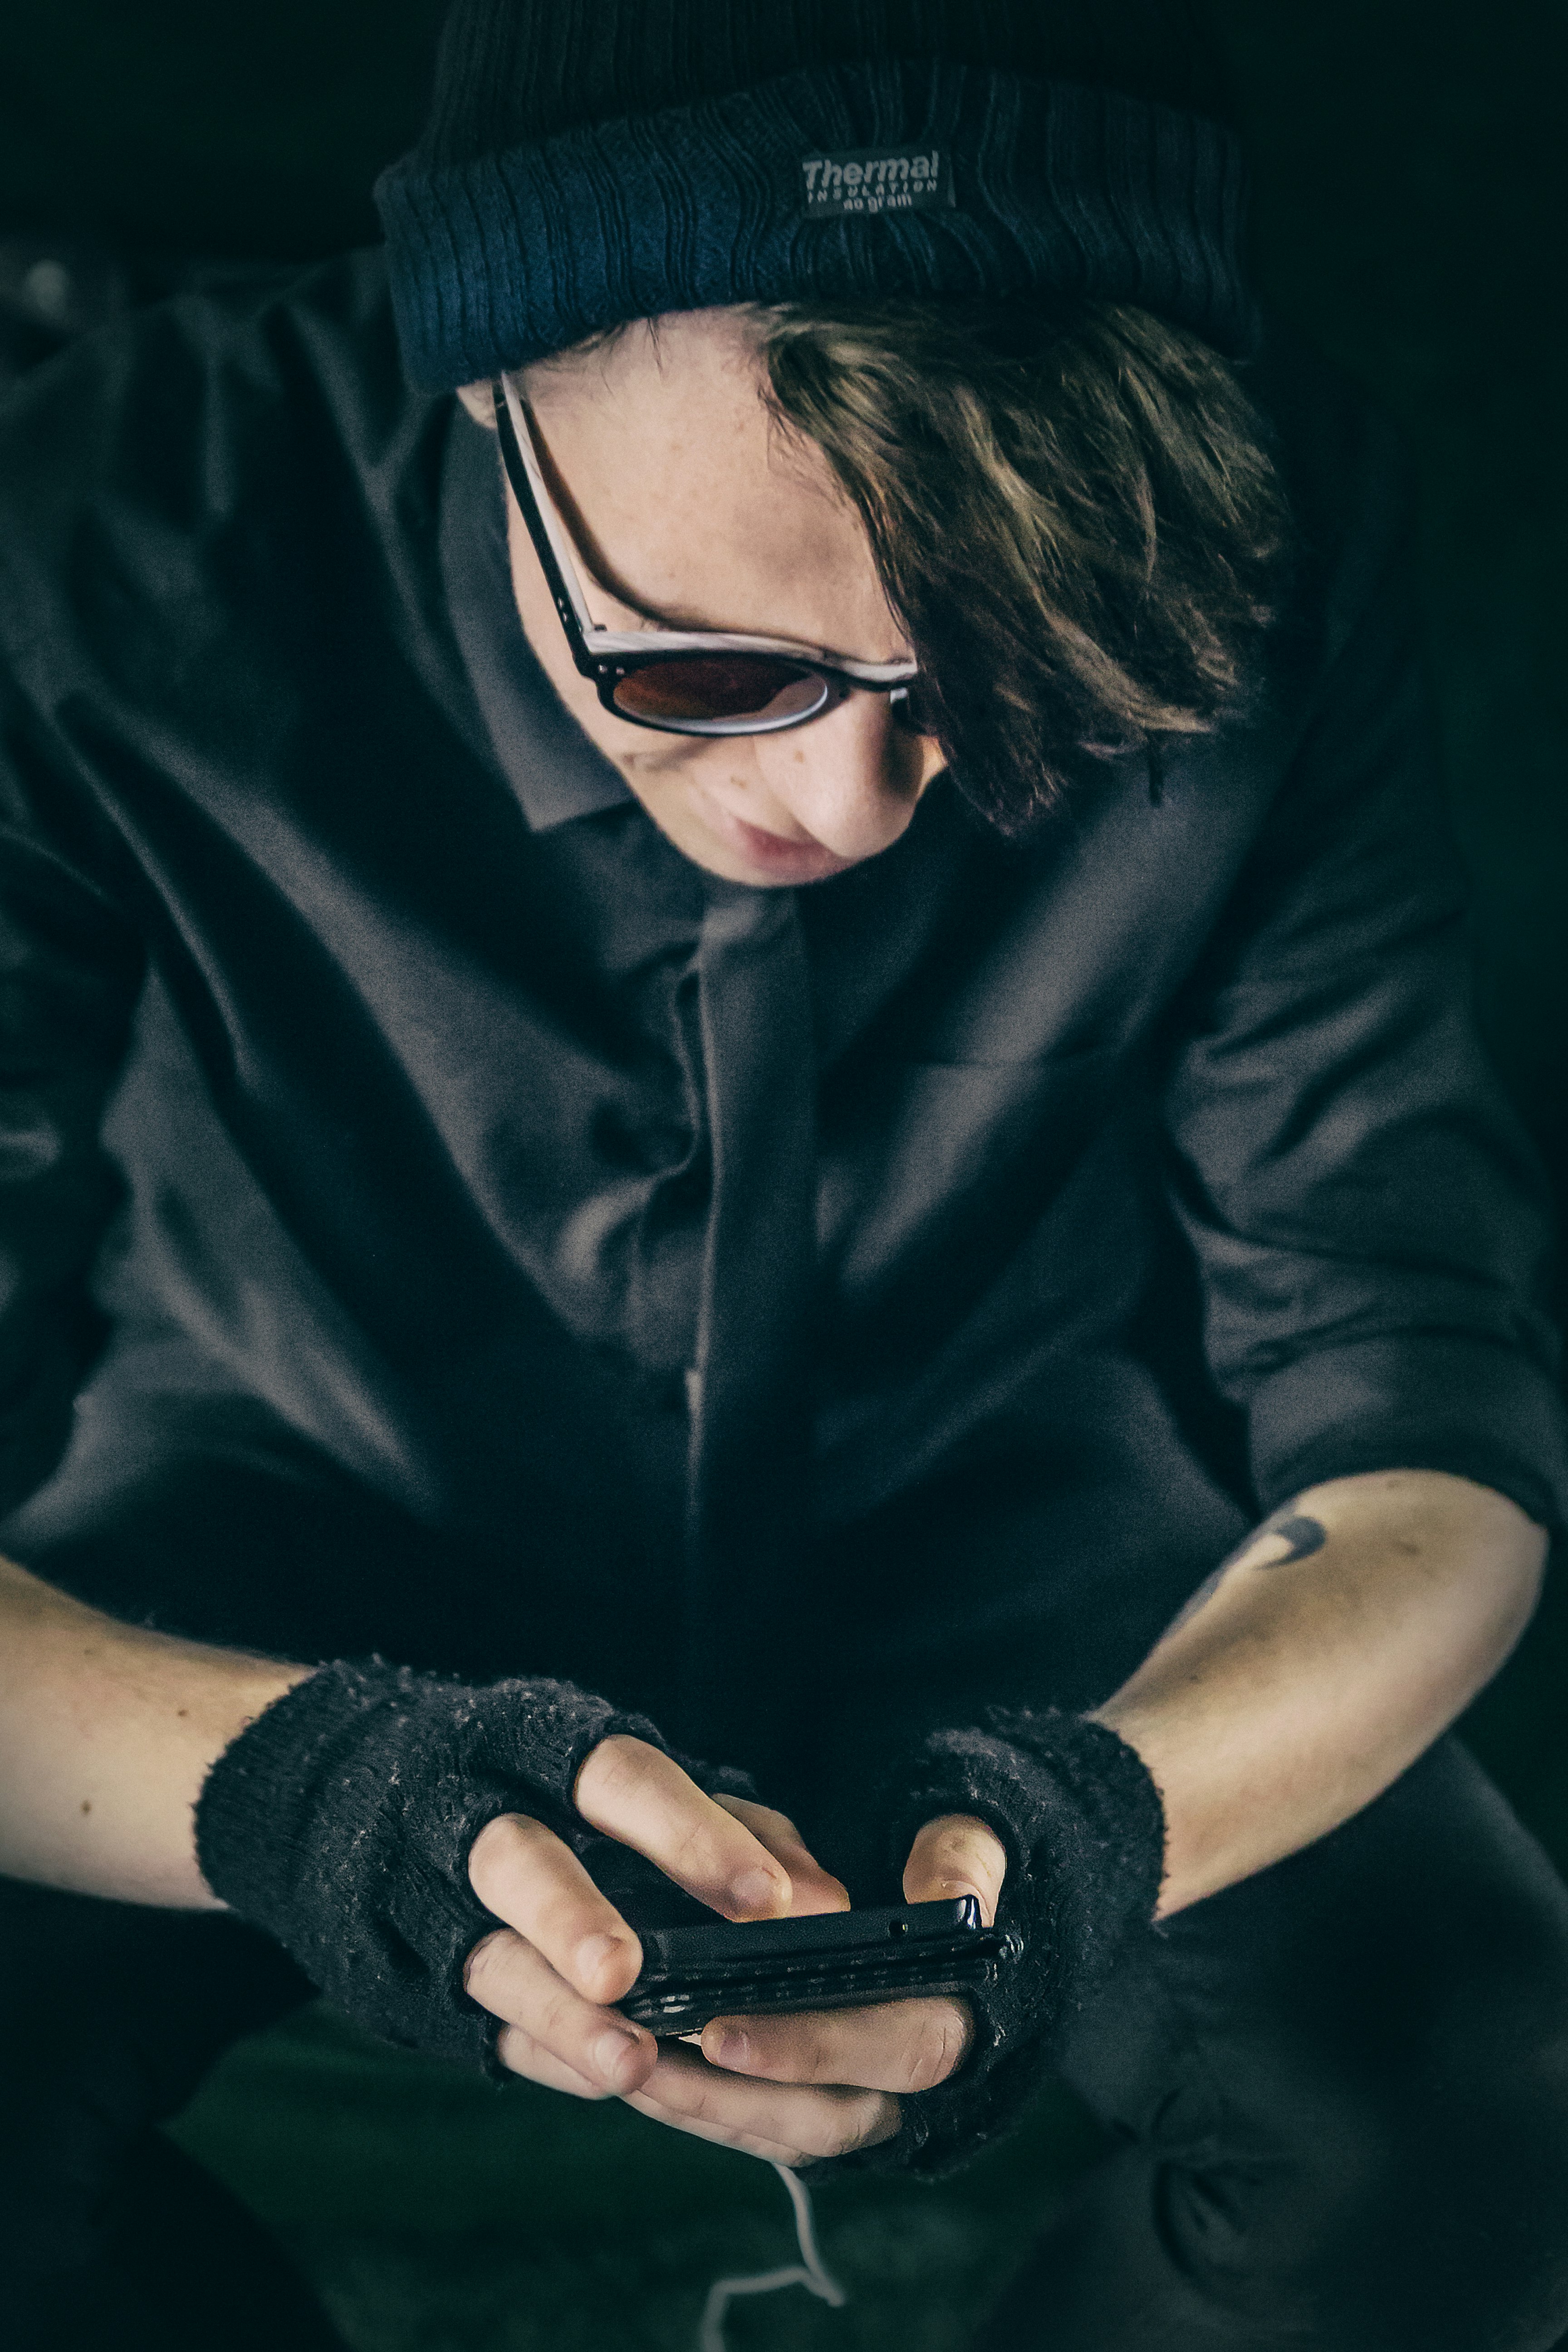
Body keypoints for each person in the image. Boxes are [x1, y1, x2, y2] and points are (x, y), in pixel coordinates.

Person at [2, 2, 1568, 2346]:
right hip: (285, 1512)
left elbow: (1427, 1417)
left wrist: (1088, 1841)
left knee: (1482, 2093)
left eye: (988, 689)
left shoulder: (1284, 527)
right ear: (490, 387)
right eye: (707, 673)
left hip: (1025, 1522)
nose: (841, 815)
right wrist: (302, 1791)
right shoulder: (103, 518)